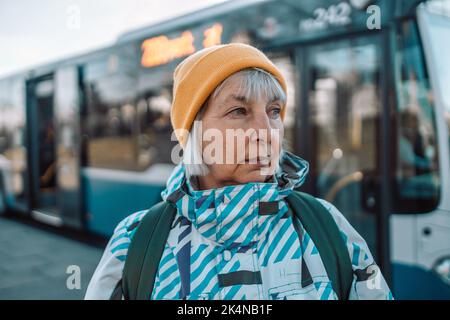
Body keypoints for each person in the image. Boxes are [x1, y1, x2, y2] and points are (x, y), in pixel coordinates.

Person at [85, 43, 393, 300]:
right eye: (239, 111)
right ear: (194, 132)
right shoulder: (136, 242)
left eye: (273, 111)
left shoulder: (326, 225)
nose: (266, 131)